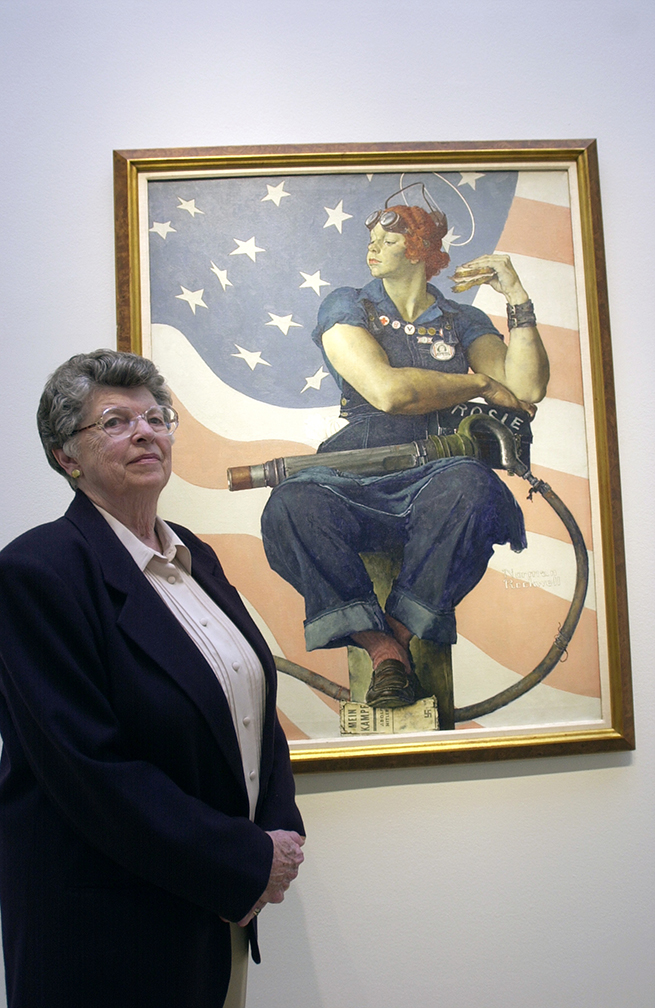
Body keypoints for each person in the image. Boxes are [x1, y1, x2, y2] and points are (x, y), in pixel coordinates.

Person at [0, 350, 305, 1008]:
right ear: (65, 456)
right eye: (114, 421)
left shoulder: (197, 558)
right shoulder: (37, 571)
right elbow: (91, 769)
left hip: (217, 911)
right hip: (108, 928)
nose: (145, 432)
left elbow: (251, 704)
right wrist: (245, 859)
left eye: (155, 417)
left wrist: (276, 836)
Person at [261, 199, 549, 709]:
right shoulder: (348, 304)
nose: (372, 247)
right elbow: (388, 392)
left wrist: (517, 298)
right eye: (373, 238)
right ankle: (383, 649)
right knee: (293, 504)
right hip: (361, 465)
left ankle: (392, 644)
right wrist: (478, 381)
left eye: (389, 239)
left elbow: (526, 391)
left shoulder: (463, 318)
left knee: (472, 487)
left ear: (420, 249)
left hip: (441, 470)